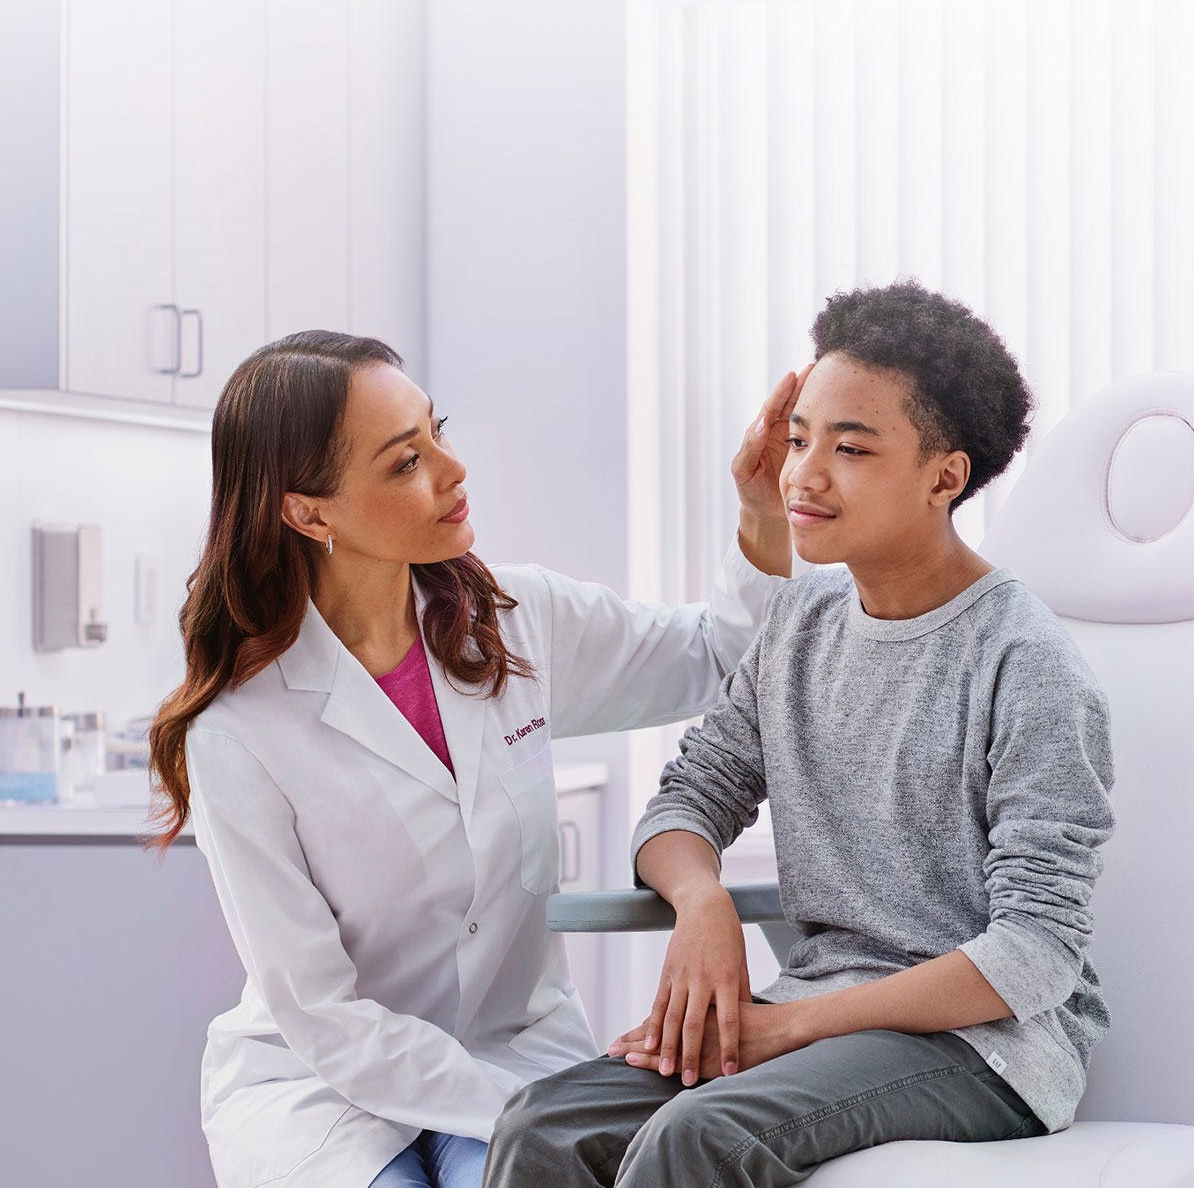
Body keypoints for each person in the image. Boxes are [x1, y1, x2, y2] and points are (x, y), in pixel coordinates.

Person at [486, 281, 1116, 1188]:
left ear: (946, 475)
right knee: (544, 1123)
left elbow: (1035, 952)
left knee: (699, 1136)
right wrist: (702, 905)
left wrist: (789, 1022)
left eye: (850, 447)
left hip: (986, 1048)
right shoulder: (800, 622)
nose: (803, 475)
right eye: (798, 437)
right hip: (822, 1009)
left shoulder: (1025, 662)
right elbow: (685, 800)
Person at [146, 330, 803, 1188]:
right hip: (322, 1087)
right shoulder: (240, 730)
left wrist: (761, 513)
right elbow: (325, 1016)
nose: (453, 471)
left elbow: (717, 658)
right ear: (310, 511)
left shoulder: (513, 619)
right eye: (404, 461)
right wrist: (521, 1111)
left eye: (437, 431)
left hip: (514, 1047)